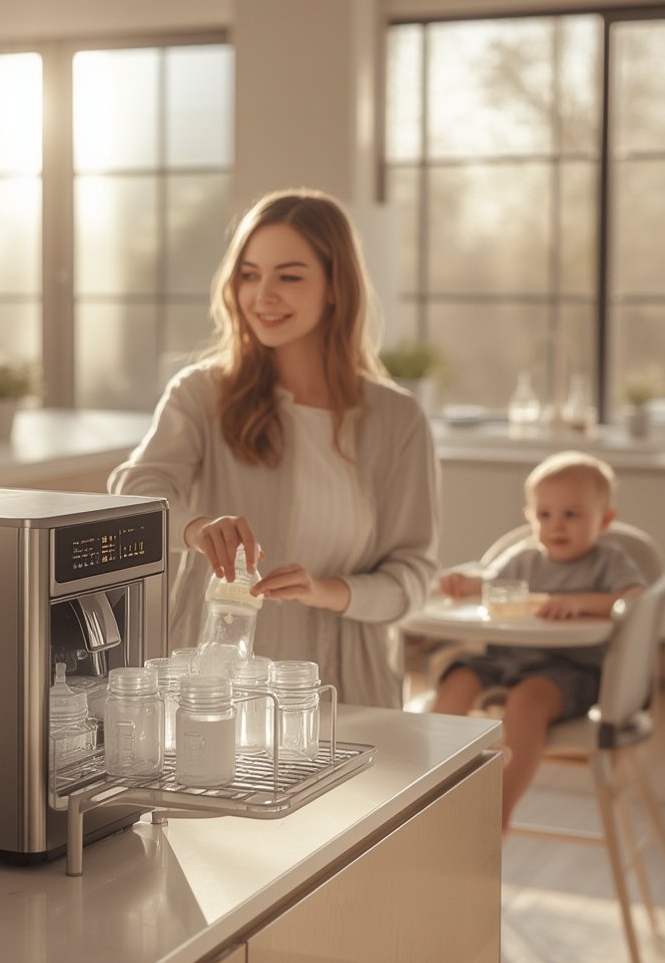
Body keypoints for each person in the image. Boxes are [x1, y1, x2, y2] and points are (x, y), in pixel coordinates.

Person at [107, 188, 440, 708]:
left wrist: (325, 590)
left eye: (288, 276)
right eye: (249, 274)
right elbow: (134, 493)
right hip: (215, 685)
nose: (263, 295)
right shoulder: (201, 393)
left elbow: (414, 576)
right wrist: (197, 529)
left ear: (334, 287)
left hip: (350, 688)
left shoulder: (398, 421)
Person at [434, 451, 645, 829]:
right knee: (457, 678)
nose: (557, 526)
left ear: (605, 519)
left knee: (528, 699)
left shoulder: (608, 562)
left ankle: (499, 810)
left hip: (569, 670)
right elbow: (489, 583)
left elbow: (635, 600)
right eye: (544, 515)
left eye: (572, 514)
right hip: (506, 658)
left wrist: (583, 603)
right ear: (530, 517)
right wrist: (465, 585)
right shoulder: (523, 559)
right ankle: (433, 790)